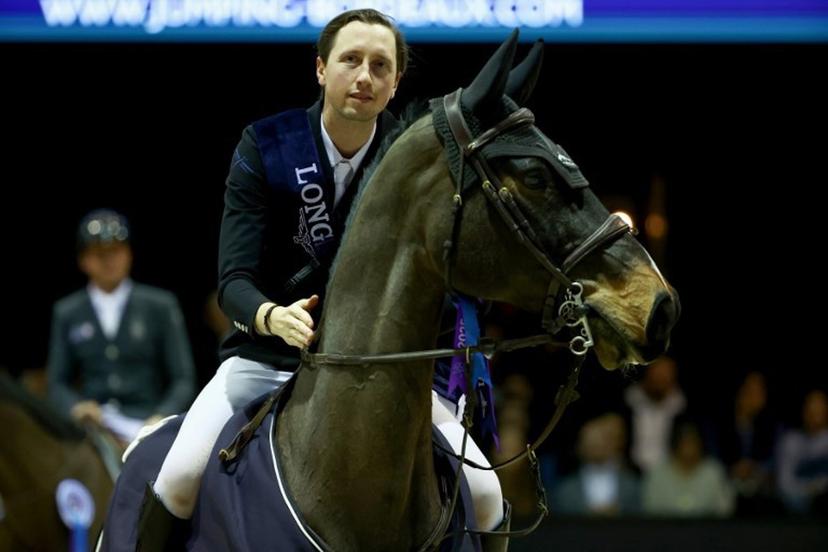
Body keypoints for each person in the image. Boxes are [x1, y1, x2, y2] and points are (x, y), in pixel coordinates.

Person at [138, 9, 504, 549]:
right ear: (320, 68)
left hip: (381, 375)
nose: (364, 76)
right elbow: (233, 281)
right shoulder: (267, 144)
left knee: (489, 494)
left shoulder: (412, 158)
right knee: (179, 475)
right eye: (350, 60)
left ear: (396, 81)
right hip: (268, 361)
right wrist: (270, 316)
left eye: (380, 66)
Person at [47, 209, 196, 444]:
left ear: (129, 254)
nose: (109, 261)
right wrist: (76, 407)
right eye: (99, 253)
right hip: (94, 427)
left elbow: (183, 378)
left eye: (116, 251)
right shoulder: (67, 312)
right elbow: (57, 382)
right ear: (83, 260)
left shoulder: (160, 306)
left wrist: (161, 416)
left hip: (146, 422)